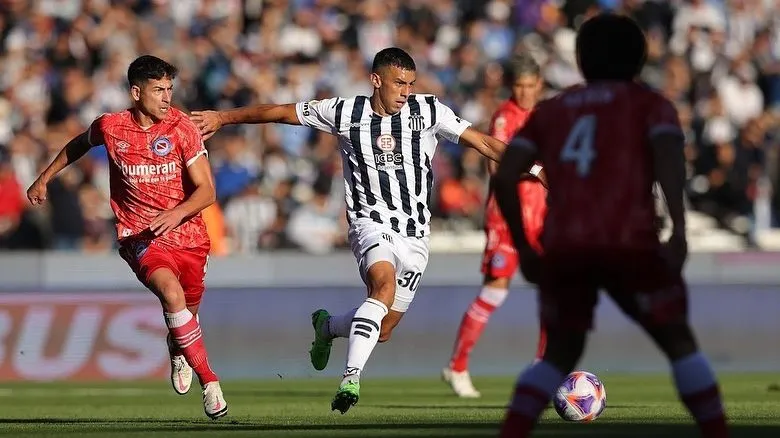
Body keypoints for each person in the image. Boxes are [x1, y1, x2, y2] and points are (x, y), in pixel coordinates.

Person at [191, 47, 512, 414]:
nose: (405, 92)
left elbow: (483, 142)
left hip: (416, 232)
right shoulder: (344, 112)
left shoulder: (429, 110)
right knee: (383, 286)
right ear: (376, 80)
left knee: (385, 327)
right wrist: (222, 117)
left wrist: (535, 169)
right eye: (398, 83)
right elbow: (280, 112)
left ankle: (327, 327)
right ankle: (351, 378)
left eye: (410, 83)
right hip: (370, 222)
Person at [493, 14, 729, 438]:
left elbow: (506, 173)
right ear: (638, 60)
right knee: (677, 342)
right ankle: (716, 429)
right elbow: (670, 164)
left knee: (559, 353)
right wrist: (678, 228)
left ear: (581, 61)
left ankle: (513, 431)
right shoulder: (651, 105)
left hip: (567, 245)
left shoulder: (554, 110)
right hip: (629, 240)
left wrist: (527, 248)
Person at [26, 55, 228, 420]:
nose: (167, 98)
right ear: (136, 93)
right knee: (170, 293)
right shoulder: (111, 126)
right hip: (140, 235)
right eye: (158, 91)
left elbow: (207, 191)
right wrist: (44, 177)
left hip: (189, 237)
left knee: (186, 312)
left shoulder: (182, 128)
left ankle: (178, 348)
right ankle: (210, 383)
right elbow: (79, 144)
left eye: (169, 90)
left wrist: (177, 213)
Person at [442, 54, 548, 398]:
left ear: (539, 85)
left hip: (542, 218)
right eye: (519, 85)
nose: (525, 92)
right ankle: (456, 367)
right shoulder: (505, 118)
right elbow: (497, 170)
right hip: (507, 217)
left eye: (531, 86)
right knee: (494, 291)